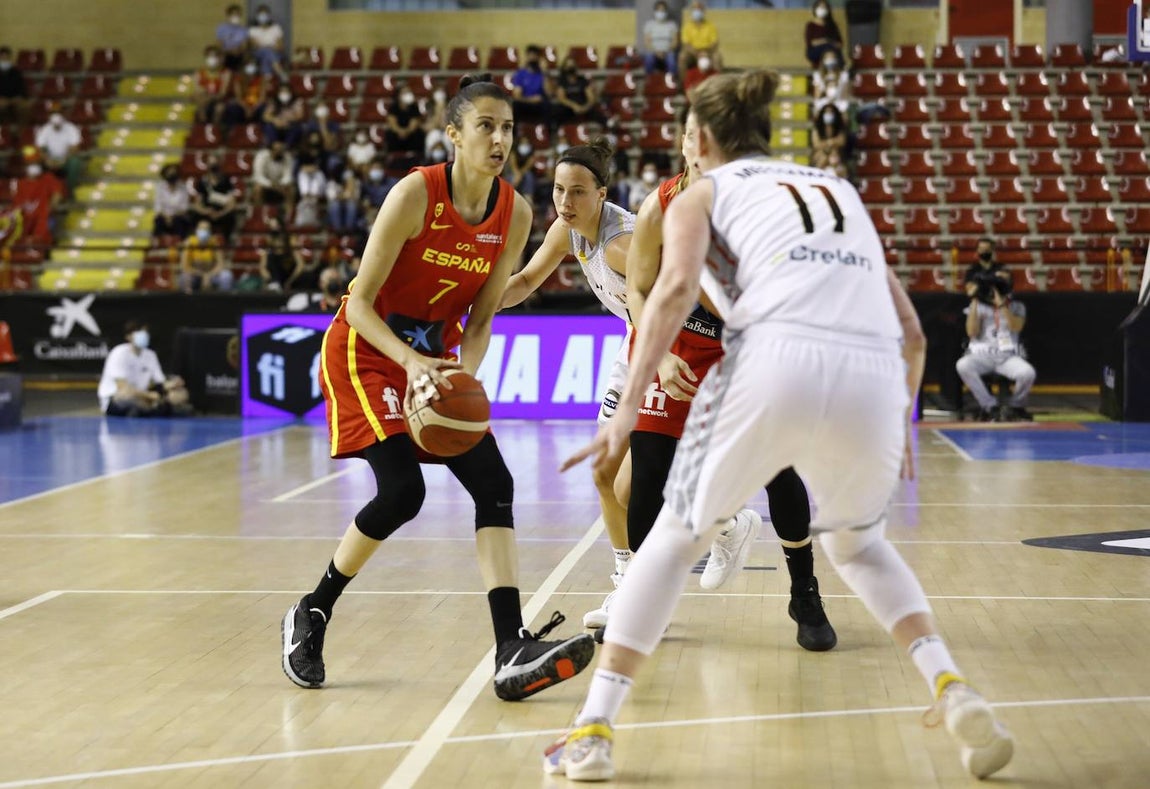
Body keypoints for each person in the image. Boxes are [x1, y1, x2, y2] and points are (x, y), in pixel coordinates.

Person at [544, 69, 1013, 782]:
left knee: (669, 542)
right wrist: (901, 420)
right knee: (860, 546)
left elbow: (670, 293)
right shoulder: (835, 188)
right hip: (868, 369)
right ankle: (952, 686)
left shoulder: (700, 193)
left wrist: (627, 406)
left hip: (777, 355)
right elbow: (912, 329)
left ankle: (592, 730)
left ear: (701, 140)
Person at [279, 74, 594, 700]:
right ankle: (312, 611)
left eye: (507, 128)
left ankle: (511, 648)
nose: (499, 139)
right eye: (485, 126)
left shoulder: (515, 212)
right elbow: (358, 303)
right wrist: (411, 364)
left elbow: (480, 320)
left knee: (495, 484)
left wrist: (460, 375)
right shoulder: (414, 195)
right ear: (453, 134)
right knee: (403, 492)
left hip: (432, 360)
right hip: (366, 351)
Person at [611, 109, 836, 651]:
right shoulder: (657, 207)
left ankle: (804, 592)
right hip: (673, 348)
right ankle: (643, 602)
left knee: (778, 469)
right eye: (695, 136)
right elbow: (638, 290)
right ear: (684, 144)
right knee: (647, 475)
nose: (703, 148)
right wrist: (660, 353)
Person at [499, 138, 638, 630]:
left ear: (602, 194)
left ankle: (721, 527)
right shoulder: (567, 228)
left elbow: (679, 303)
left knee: (633, 486)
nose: (565, 201)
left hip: (672, 348)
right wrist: (475, 303)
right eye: (559, 189)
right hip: (636, 343)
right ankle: (629, 582)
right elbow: (524, 282)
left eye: (578, 191)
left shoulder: (622, 246)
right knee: (604, 473)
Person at [957, 273, 1035, 422]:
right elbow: (971, 332)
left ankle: (1015, 406)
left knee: (1028, 373)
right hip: (982, 355)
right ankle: (989, 405)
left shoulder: (1017, 306)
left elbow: (1015, 327)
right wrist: (975, 299)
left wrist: (1001, 305)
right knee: (963, 365)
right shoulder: (978, 306)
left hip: (1007, 357)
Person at [97, 321, 190, 417]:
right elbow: (122, 387)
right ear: (128, 336)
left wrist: (173, 384)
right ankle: (153, 409)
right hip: (116, 398)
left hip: (142, 395)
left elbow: (160, 383)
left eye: (145, 332)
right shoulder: (118, 353)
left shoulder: (151, 355)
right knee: (126, 394)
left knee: (182, 393)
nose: (144, 335)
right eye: (139, 332)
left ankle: (148, 409)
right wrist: (149, 395)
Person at [13, 149, 64, 247]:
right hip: (26, 219)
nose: (33, 166)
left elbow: (57, 195)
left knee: (47, 225)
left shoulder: (48, 178)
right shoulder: (20, 183)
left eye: (35, 163)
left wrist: (50, 207)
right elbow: (17, 205)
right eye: (30, 164)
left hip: (43, 218)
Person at [188, 154, 240, 240]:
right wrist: (206, 211)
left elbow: (232, 203)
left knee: (230, 219)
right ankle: (201, 242)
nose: (213, 166)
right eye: (211, 163)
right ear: (207, 165)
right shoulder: (202, 182)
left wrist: (221, 213)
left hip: (222, 213)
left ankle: (226, 242)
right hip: (207, 213)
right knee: (195, 217)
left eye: (215, 163)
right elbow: (197, 203)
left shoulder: (226, 181)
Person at [34, 106, 83, 195]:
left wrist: (64, 160)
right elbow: (40, 148)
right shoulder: (45, 129)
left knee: (75, 162)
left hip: (65, 159)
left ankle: (69, 191)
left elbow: (74, 148)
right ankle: (39, 192)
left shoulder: (71, 128)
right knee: (33, 162)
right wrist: (47, 159)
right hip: (49, 159)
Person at [178, 219, 233, 292]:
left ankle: (223, 297)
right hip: (194, 274)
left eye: (206, 229)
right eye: (201, 228)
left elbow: (220, 265)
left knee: (226, 275)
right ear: (196, 230)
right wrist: (202, 275)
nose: (204, 231)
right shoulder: (189, 242)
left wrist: (208, 275)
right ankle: (187, 298)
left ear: (210, 231)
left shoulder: (214, 242)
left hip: (211, 274)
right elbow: (184, 267)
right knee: (184, 277)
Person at [553, 57, 603, 126]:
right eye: (568, 65)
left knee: (596, 112)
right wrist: (574, 106)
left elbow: (591, 98)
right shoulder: (562, 82)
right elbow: (562, 98)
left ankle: (608, 126)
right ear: (564, 68)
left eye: (572, 65)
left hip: (583, 105)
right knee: (558, 111)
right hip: (568, 107)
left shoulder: (582, 80)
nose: (571, 67)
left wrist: (585, 107)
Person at [510, 45, 552, 127]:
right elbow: (517, 96)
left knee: (548, 105)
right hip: (525, 103)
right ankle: (514, 133)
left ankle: (547, 132)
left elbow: (549, 93)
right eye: (530, 55)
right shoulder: (521, 74)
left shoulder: (543, 74)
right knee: (514, 105)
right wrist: (531, 100)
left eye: (535, 55)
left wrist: (545, 72)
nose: (532, 58)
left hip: (539, 104)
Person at [193, 46, 231, 125]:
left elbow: (222, 93)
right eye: (209, 56)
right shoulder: (199, 73)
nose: (212, 59)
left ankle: (215, 128)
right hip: (204, 100)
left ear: (219, 58)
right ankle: (203, 124)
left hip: (220, 100)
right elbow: (198, 90)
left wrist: (209, 99)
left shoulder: (225, 73)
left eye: (214, 56)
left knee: (219, 108)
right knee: (199, 101)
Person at [252, 139, 295, 209]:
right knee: (257, 188)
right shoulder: (261, 156)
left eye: (281, 150)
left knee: (290, 188)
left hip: (280, 185)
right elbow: (258, 176)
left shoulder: (287, 157)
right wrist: (270, 184)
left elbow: (288, 176)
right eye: (277, 150)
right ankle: (258, 212)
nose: (279, 152)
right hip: (266, 184)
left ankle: (289, 214)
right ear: (271, 150)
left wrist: (281, 184)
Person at [385, 86, 427, 157]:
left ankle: (415, 156)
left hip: (410, 133)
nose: (408, 94)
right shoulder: (393, 108)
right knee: (390, 133)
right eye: (405, 93)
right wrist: (399, 131)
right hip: (397, 133)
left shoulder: (414, 108)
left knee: (419, 133)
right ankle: (393, 156)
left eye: (409, 92)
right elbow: (392, 124)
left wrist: (406, 131)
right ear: (399, 96)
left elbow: (413, 125)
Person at [152, 163, 190, 239]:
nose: (171, 175)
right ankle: (157, 242)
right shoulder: (160, 187)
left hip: (178, 216)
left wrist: (172, 217)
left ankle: (181, 242)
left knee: (180, 222)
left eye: (173, 173)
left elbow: (184, 208)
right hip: (164, 216)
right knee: (158, 221)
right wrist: (166, 217)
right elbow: (158, 206)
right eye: (169, 173)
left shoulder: (183, 187)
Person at [248, 4, 286, 79]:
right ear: (257, 16)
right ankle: (281, 74)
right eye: (261, 14)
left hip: (275, 53)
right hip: (258, 53)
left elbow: (280, 46)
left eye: (265, 14)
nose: (263, 16)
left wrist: (269, 46)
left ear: (269, 16)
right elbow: (254, 45)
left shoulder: (276, 28)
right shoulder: (253, 30)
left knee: (266, 57)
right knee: (267, 51)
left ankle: (267, 76)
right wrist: (269, 46)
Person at [805, 0, 845, 70]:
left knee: (830, 48)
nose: (822, 9)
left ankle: (838, 68)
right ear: (815, 9)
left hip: (832, 49)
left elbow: (840, 44)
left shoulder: (832, 25)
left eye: (824, 7)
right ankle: (840, 65)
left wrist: (830, 42)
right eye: (820, 7)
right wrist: (825, 41)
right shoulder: (811, 25)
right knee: (827, 47)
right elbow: (811, 43)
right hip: (814, 52)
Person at [642, 1, 679, 76]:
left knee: (671, 59)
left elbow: (675, 42)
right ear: (655, 12)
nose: (661, 12)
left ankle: (672, 80)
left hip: (668, 51)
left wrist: (665, 51)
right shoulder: (649, 25)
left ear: (666, 12)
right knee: (648, 58)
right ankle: (649, 80)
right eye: (659, 10)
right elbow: (647, 43)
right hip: (653, 52)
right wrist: (656, 52)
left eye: (663, 10)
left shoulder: (672, 25)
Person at [680, 2, 721, 68]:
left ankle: (716, 75)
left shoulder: (710, 26)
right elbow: (686, 44)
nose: (697, 11)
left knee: (717, 57)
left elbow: (714, 42)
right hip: (692, 53)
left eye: (699, 9)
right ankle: (683, 75)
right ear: (692, 11)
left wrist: (706, 52)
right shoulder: (687, 27)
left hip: (707, 52)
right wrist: (697, 53)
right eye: (695, 9)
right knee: (682, 57)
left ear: (703, 11)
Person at [812, 101, 848, 176]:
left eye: (831, 112)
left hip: (836, 156)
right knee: (822, 158)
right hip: (821, 157)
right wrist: (832, 143)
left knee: (836, 161)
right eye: (826, 112)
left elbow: (841, 141)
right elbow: (817, 145)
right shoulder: (817, 130)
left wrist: (827, 144)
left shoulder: (839, 129)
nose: (828, 114)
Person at [0, 46, 30, 127]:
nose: (4, 60)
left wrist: (16, 98)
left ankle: (20, 132)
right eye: (3, 58)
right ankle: (4, 131)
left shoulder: (16, 73)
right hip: (1, 101)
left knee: (25, 107)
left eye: (7, 58)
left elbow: (22, 91)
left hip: (15, 100)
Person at [216, 4, 250, 71]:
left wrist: (238, 50)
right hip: (226, 54)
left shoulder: (243, 30)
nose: (235, 17)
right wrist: (228, 51)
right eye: (233, 14)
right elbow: (219, 44)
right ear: (228, 16)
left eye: (237, 15)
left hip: (238, 53)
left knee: (244, 57)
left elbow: (244, 45)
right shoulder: (222, 28)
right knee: (222, 57)